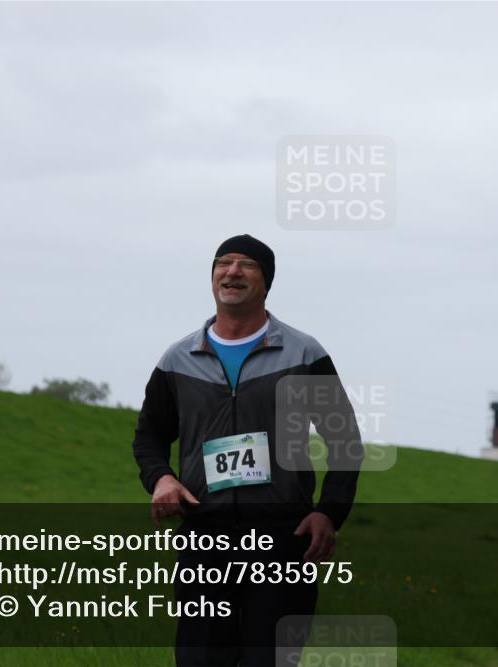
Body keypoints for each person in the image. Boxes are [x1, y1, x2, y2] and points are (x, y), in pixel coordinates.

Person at [131, 234, 363, 666]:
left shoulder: (304, 353)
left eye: (246, 264)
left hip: (282, 538)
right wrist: (161, 477)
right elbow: (149, 436)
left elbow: (344, 441)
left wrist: (329, 512)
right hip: (204, 537)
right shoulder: (177, 359)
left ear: (266, 282)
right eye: (223, 262)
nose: (232, 271)